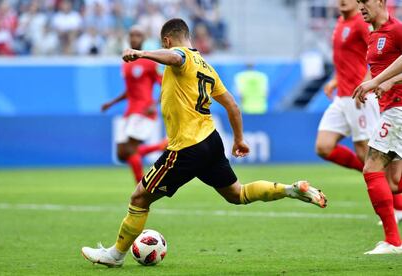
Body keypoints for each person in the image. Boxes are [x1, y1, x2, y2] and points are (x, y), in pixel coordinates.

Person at [81, 18, 327, 267]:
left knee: (139, 198)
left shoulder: (181, 57)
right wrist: (239, 139)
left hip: (186, 147)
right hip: (211, 141)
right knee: (236, 193)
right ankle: (289, 189)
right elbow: (232, 104)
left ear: (166, 41)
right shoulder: (207, 67)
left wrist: (141, 53)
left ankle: (115, 255)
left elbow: (176, 57)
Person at [316, 0, 402, 226]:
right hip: (343, 96)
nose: (343, 1)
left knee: (373, 159)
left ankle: (394, 206)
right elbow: (354, 59)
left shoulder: (365, 25)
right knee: (323, 146)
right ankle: (380, 185)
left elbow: (379, 62)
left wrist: (371, 83)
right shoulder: (340, 24)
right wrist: (335, 80)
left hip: (360, 96)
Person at [352, 0, 402, 254]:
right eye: (358, 1)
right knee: (394, 182)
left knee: (371, 167)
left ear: (381, 1)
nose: (361, 6)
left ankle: (393, 242)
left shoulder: (396, 30)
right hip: (389, 107)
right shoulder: (373, 36)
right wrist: (369, 83)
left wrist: (381, 81)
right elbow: (379, 71)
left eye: (365, 0)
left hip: (399, 108)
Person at [101, 25, 166, 184]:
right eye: (132, 35)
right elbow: (129, 91)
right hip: (130, 110)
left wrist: (155, 104)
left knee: (130, 149)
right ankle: (162, 146)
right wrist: (111, 103)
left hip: (144, 110)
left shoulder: (150, 62)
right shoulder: (125, 63)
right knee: (121, 154)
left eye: (138, 35)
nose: (134, 38)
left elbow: (166, 83)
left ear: (143, 39)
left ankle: (140, 187)